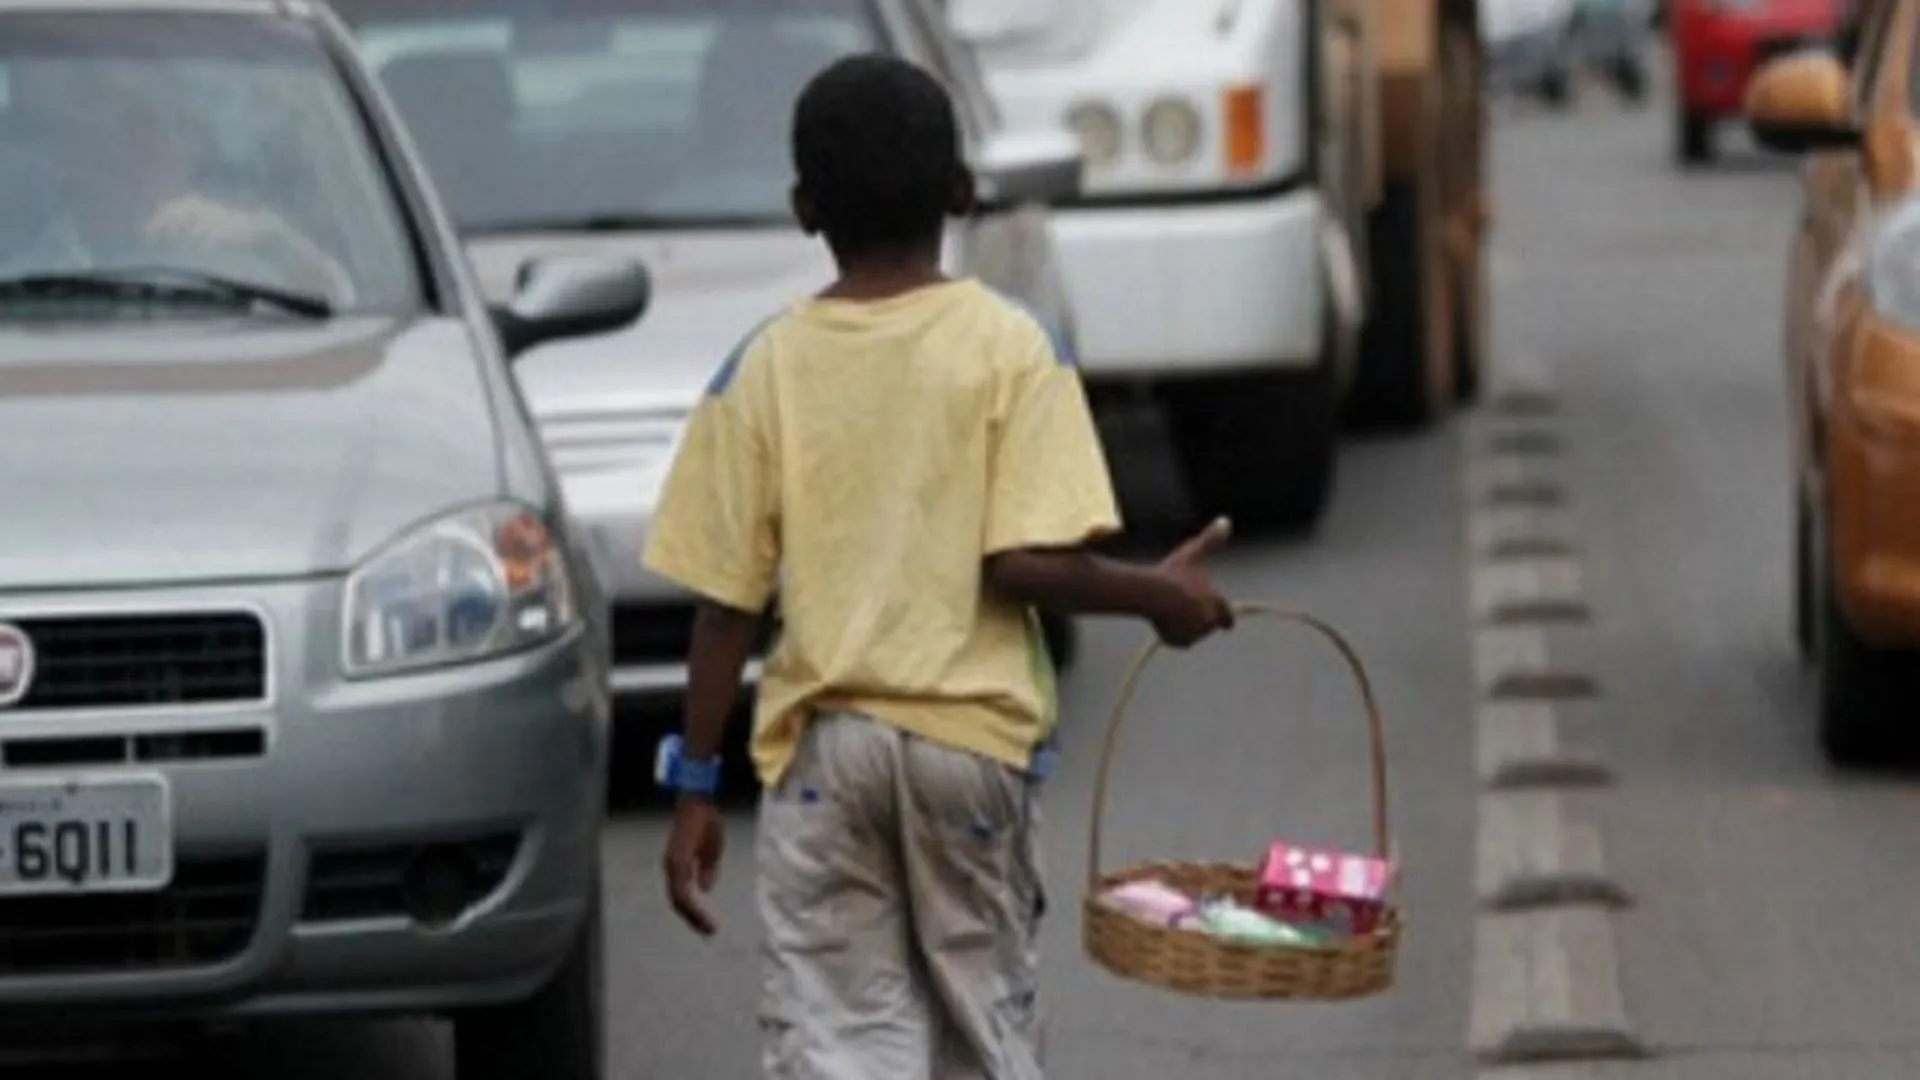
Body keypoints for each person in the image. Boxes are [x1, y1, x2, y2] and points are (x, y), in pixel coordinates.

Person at [642, 54, 1237, 1079]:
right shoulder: (1014, 346)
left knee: (838, 1039)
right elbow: (1025, 562)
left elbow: (724, 610)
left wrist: (696, 786)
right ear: (963, 194)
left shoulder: (761, 368)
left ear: (802, 208)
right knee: (981, 1030)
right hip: (970, 749)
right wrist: (1157, 596)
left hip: (827, 757)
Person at [0, 69, 352, 301]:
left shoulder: (246, 269)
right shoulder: (20, 278)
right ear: (75, 155)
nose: (139, 152)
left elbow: (350, 307)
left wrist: (272, 239)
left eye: (162, 130)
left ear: (190, 157)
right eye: (120, 129)